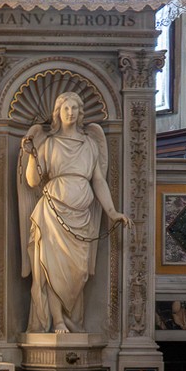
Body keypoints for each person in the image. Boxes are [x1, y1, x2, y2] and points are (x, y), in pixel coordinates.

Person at [18, 92, 132, 334]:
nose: (70, 112)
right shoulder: (48, 143)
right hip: (52, 212)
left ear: (81, 113)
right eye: (65, 108)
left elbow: (99, 180)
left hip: (81, 215)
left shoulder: (90, 144)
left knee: (77, 272)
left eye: (75, 108)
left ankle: (72, 320)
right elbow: (32, 181)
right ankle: (57, 321)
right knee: (50, 268)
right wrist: (31, 154)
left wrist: (112, 212)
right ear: (57, 113)